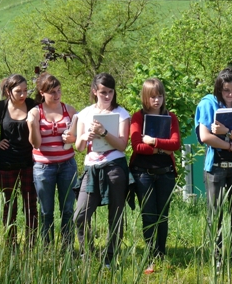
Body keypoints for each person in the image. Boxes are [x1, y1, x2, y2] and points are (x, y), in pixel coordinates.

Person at [195, 67, 232, 272]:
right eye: (226, 90)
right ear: (219, 88)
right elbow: (206, 136)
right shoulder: (208, 104)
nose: (230, 94)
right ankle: (216, 255)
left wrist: (226, 132)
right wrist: (230, 145)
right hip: (216, 167)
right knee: (214, 213)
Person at [74, 73, 130, 266]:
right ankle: (88, 253)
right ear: (94, 91)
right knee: (80, 215)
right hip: (91, 168)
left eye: (110, 92)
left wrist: (103, 133)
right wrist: (85, 137)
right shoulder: (84, 113)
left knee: (115, 215)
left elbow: (122, 145)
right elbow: (79, 148)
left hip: (114, 167)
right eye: (103, 92)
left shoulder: (122, 113)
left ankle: (110, 256)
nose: (107, 96)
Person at [130, 78, 181, 273]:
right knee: (148, 215)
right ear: (145, 97)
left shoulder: (171, 117)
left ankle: (162, 253)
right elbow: (137, 146)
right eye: (152, 97)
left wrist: (154, 141)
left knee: (163, 215)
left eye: (159, 96)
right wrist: (162, 148)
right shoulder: (138, 117)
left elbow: (175, 144)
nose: (157, 100)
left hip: (166, 173)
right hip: (143, 174)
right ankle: (150, 256)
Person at [26, 73, 78, 248]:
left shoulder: (69, 110)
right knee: (46, 211)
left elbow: (80, 137)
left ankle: (67, 247)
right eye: (52, 92)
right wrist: (33, 124)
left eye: (58, 91)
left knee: (68, 209)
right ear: (42, 93)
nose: (57, 95)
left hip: (67, 165)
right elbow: (36, 143)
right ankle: (47, 249)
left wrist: (73, 138)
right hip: (43, 167)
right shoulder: (35, 112)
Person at [0, 74, 38, 247]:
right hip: (6, 163)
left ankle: (31, 245)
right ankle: (11, 245)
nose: (23, 95)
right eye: (18, 91)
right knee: (9, 206)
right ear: (8, 91)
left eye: (25, 90)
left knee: (30, 206)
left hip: (29, 162)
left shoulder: (32, 105)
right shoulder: (0, 108)